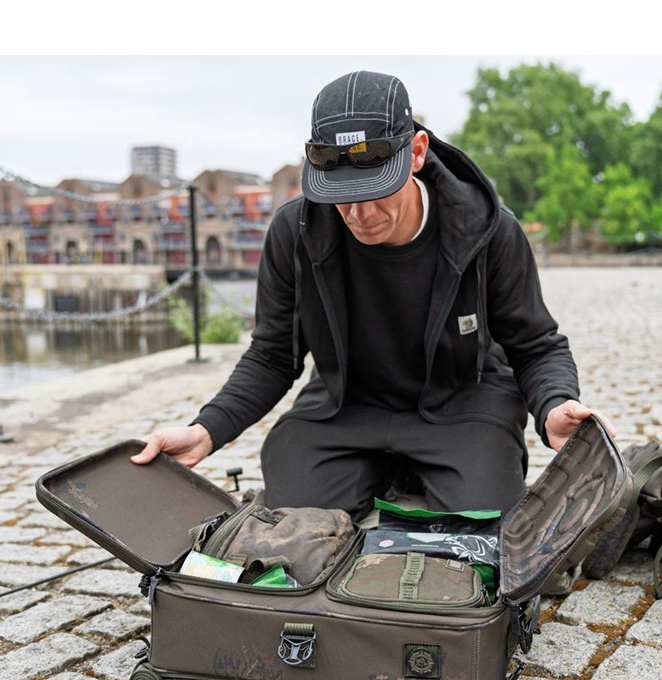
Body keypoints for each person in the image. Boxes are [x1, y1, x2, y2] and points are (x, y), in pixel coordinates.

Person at [132, 70, 613, 521]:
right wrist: (206, 430)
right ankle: (384, 471)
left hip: (461, 405)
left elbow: (535, 344)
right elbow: (273, 354)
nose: (359, 214)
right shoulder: (294, 231)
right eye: (340, 195)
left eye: (375, 190)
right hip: (345, 407)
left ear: (417, 153)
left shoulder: (487, 229)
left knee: (482, 520)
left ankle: (420, 474)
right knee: (294, 512)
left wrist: (554, 404)